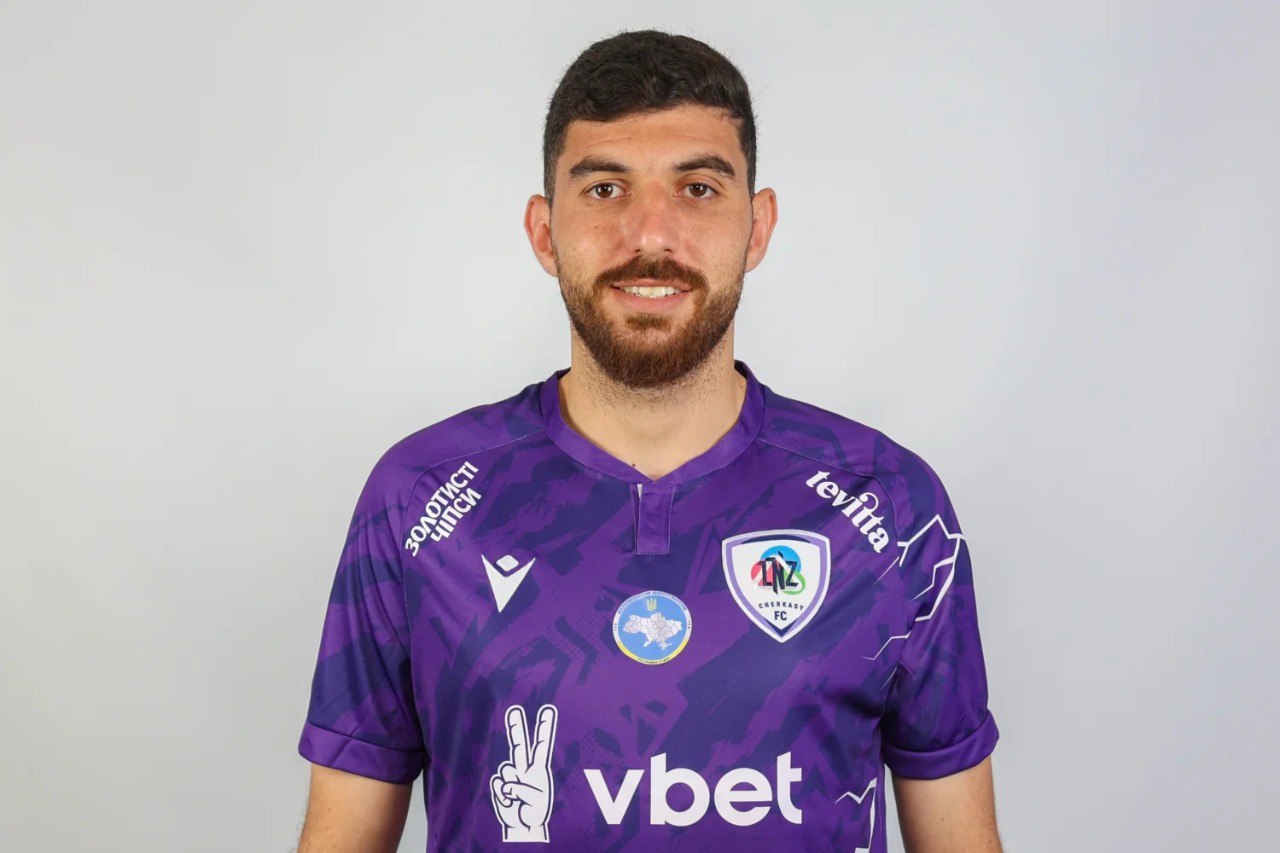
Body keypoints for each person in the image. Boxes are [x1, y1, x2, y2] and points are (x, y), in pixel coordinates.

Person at [295, 29, 1003, 853]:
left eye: (698, 188)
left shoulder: (892, 505)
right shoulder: (418, 499)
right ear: (543, 231)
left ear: (758, 226)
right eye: (605, 189)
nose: (651, 234)